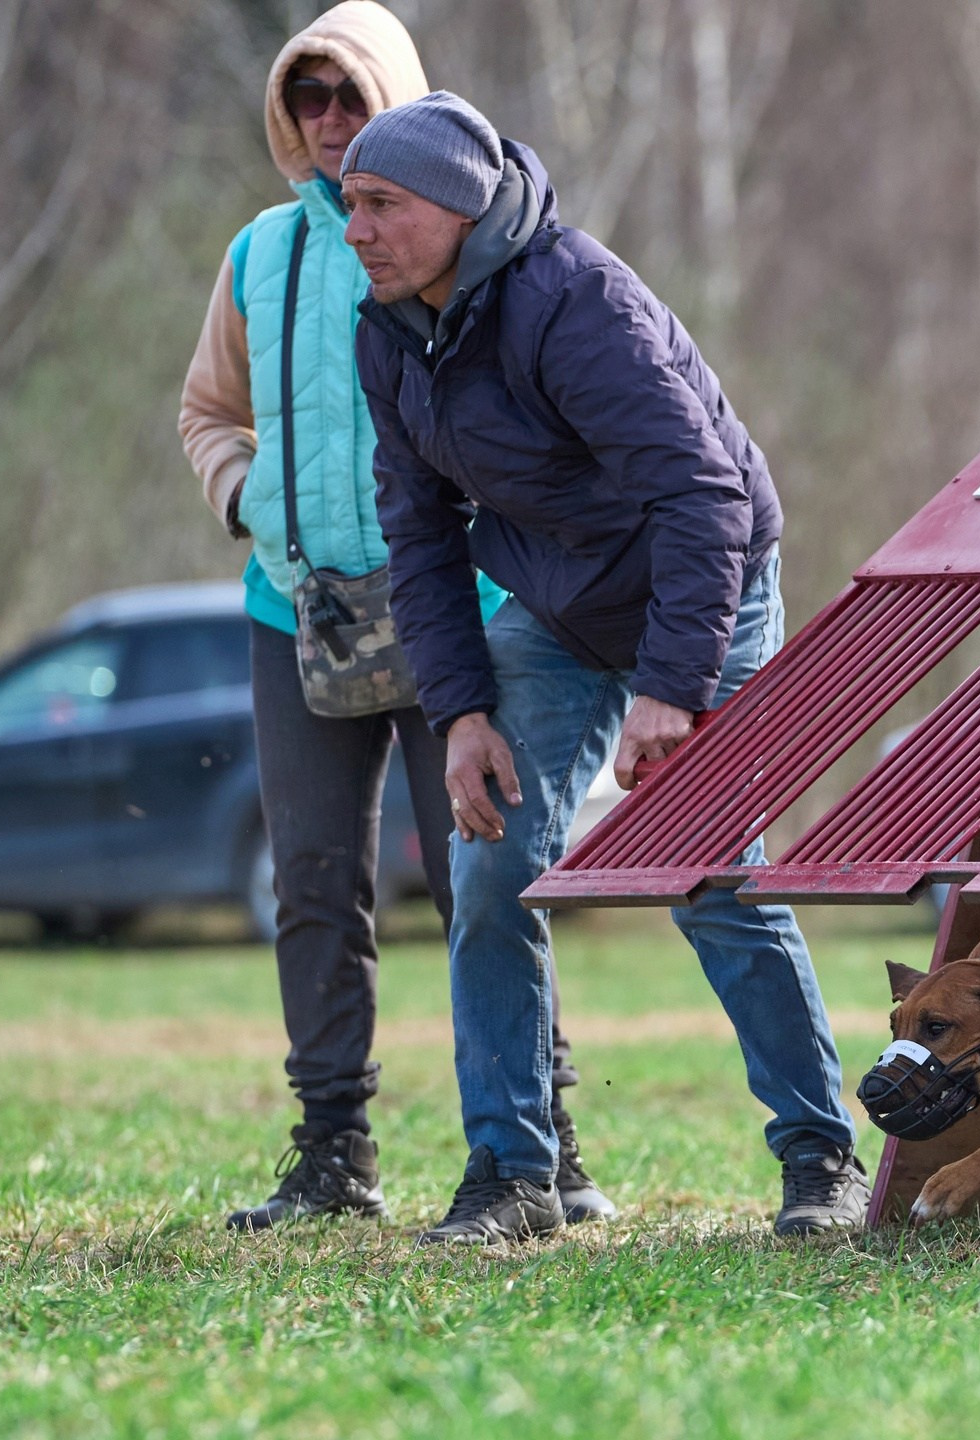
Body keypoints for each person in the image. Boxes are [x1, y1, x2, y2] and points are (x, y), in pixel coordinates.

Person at [338, 93, 865, 1243]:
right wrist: (460, 710)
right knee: (489, 869)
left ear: (460, 207)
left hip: (705, 586)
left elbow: (705, 499)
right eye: (349, 204)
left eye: (381, 204)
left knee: (707, 872)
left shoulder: (574, 299)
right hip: (562, 607)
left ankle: (823, 1159)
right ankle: (513, 1174)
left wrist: (673, 687)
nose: (357, 228)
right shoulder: (386, 329)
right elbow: (417, 531)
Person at [177, 2, 612, 1233]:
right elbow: (207, 412)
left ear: (400, 104)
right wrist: (247, 497)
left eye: (349, 95)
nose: (327, 118)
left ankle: (546, 1148)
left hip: (457, 605)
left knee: (489, 877)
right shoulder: (259, 253)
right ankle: (332, 1154)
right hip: (296, 611)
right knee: (314, 885)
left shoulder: (462, 248)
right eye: (305, 96)